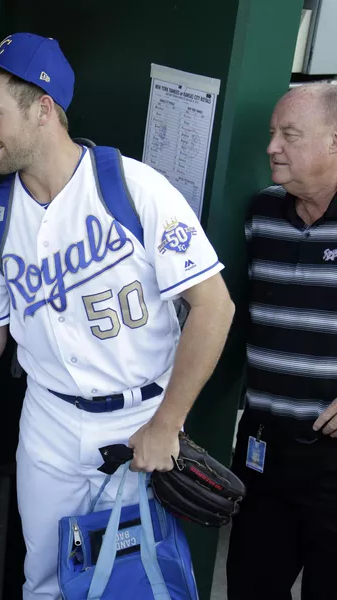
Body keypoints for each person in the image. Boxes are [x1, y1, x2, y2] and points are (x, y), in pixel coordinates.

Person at [0, 33, 235, 599]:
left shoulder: (132, 187)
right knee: (46, 582)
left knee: (132, 581)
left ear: (43, 109)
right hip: (49, 421)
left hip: (141, 417)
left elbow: (214, 307)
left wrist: (168, 424)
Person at [227, 83, 337, 600]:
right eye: (273, 134)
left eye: (289, 135)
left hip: (333, 463)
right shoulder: (261, 215)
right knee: (251, 587)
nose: (272, 147)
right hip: (262, 451)